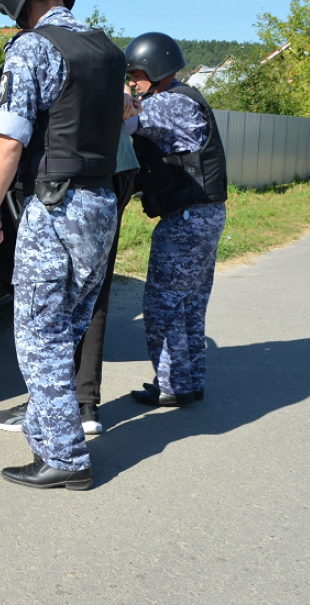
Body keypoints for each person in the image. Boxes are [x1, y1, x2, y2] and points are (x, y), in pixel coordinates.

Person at [0, 0, 126, 491]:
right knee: (68, 325)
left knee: (37, 333)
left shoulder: (32, 49)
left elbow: (8, 140)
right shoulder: (107, 50)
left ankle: (64, 458)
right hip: (102, 205)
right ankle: (57, 428)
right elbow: (124, 112)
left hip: (55, 204)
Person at [0, 69, 139, 436]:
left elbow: (8, 146)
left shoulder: (14, 86)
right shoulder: (61, 72)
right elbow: (124, 104)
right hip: (110, 178)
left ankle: (49, 408)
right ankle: (84, 405)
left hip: (72, 185)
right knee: (91, 291)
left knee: (49, 300)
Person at [121, 32, 228, 407]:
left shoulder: (170, 103)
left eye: (135, 74)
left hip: (188, 219)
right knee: (189, 305)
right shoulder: (185, 99)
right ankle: (187, 380)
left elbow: (127, 118)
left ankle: (172, 385)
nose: (132, 82)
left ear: (157, 70)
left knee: (163, 304)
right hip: (205, 214)